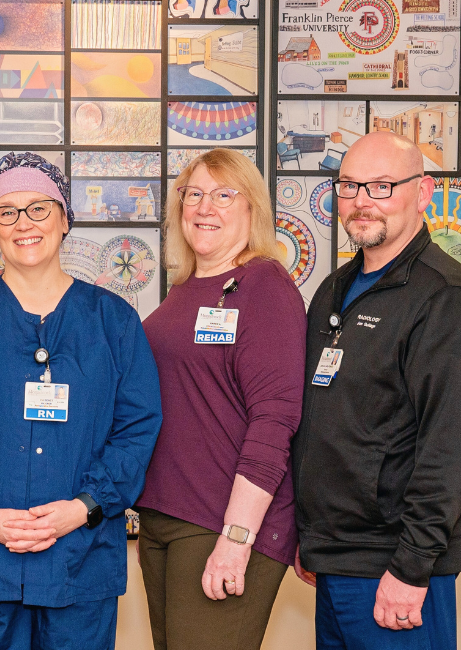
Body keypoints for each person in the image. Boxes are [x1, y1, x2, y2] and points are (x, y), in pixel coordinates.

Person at [0, 152, 163, 650]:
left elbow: (137, 429)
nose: (24, 224)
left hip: (78, 560)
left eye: (39, 208)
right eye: (7, 211)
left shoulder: (113, 322)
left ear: (65, 218)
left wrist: (84, 507)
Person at [291, 132, 461, 650]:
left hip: (396, 568)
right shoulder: (334, 289)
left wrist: (411, 568)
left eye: (383, 186)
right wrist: (313, 538)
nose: (362, 200)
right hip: (335, 557)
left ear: (424, 192)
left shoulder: (448, 302)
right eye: (350, 185)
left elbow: (450, 449)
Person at [135, 149, 306, 650]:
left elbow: (276, 420)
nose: (205, 207)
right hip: (165, 515)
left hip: (222, 523)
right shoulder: (186, 286)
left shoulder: (265, 286)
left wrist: (236, 539)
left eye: (224, 194)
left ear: (251, 208)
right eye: (194, 194)